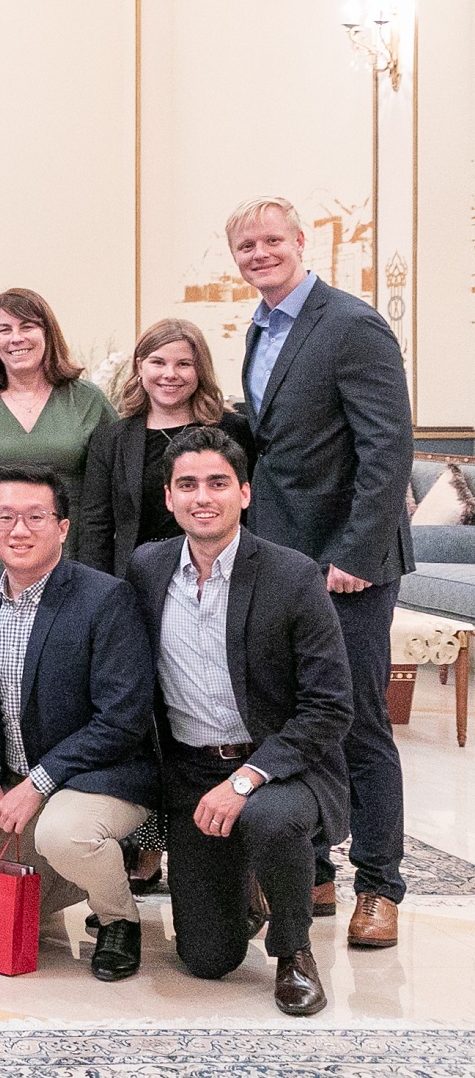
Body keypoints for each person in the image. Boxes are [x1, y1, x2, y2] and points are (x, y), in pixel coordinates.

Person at [226, 196, 412, 947]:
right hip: (285, 561)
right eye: (246, 245)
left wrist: (357, 558)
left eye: (272, 240)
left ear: (301, 242)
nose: (260, 253)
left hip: (348, 568)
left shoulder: (352, 325)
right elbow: (274, 437)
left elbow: (386, 448)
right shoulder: (261, 327)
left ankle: (380, 885)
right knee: (297, 720)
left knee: (359, 723)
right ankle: (315, 868)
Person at [127, 425, 353, 1016]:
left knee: (273, 821)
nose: (203, 497)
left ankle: (294, 952)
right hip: (189, 770)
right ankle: (245, 888)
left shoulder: (293, 576)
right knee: (207, 959)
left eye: (218, 483)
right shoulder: (147, 570)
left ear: (245, 495)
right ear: (169, 499)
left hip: (279, 767)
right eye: (188, 485)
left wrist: (247, 779)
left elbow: (331, 705)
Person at [0, 465, 160, 981]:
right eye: (4, 517)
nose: (18, 531)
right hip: (22, 779)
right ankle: (93, 866)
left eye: (34, 517)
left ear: (64, 526)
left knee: (64, 834)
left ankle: (119, 919)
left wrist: (38, 782)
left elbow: (123, 720)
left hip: (101, 775)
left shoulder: (105, 598)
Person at [0, 288, 115, 612]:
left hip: (70, 558)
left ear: (47, 333)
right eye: (5, 329)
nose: (16, 338)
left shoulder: (87, 401)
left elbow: (114, 486)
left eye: (27, 327)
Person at [81, 318, 255, 579]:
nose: (170, 374)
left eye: (183, 364)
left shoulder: (234, 431)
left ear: (200, 370)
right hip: (139, 579)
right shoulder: (112, 439)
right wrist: (98, 591)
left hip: (221, 574)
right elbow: (96, 526)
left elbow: (251, 511)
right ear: (140, 366)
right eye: (158, 362)